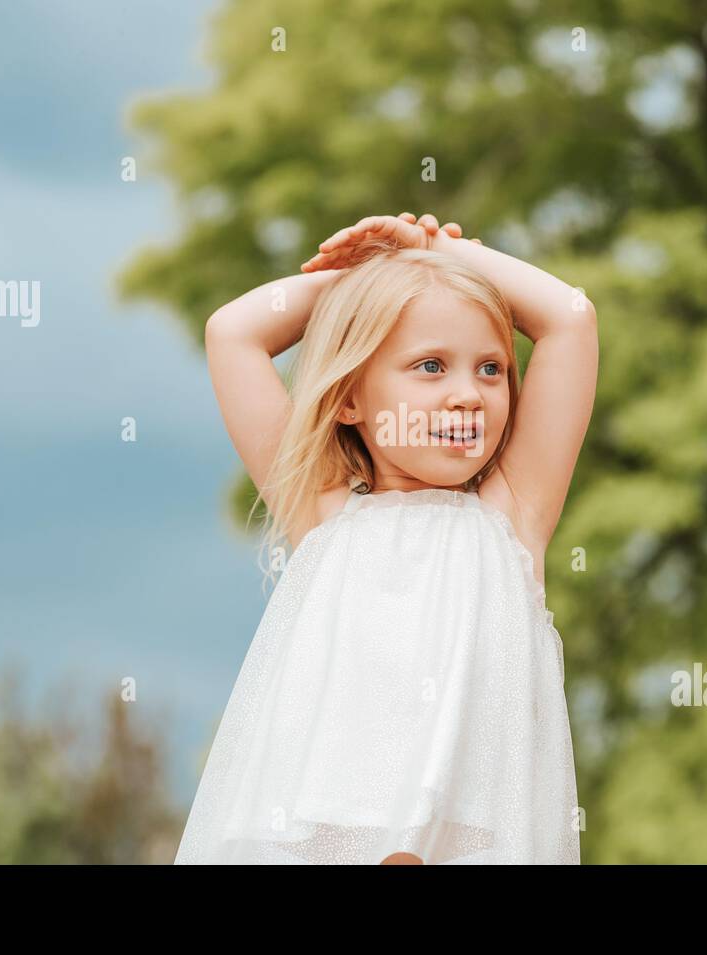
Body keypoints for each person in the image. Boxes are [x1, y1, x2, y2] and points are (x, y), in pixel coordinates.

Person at [174, 212, 598, 864]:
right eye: (431, 366)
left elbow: (571, 317)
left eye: (490, 368)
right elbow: (233, 333)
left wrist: (441, 251)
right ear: (349, 397)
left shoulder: (513, 513)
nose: (468, 394)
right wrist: (370, 276)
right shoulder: (321, 509)